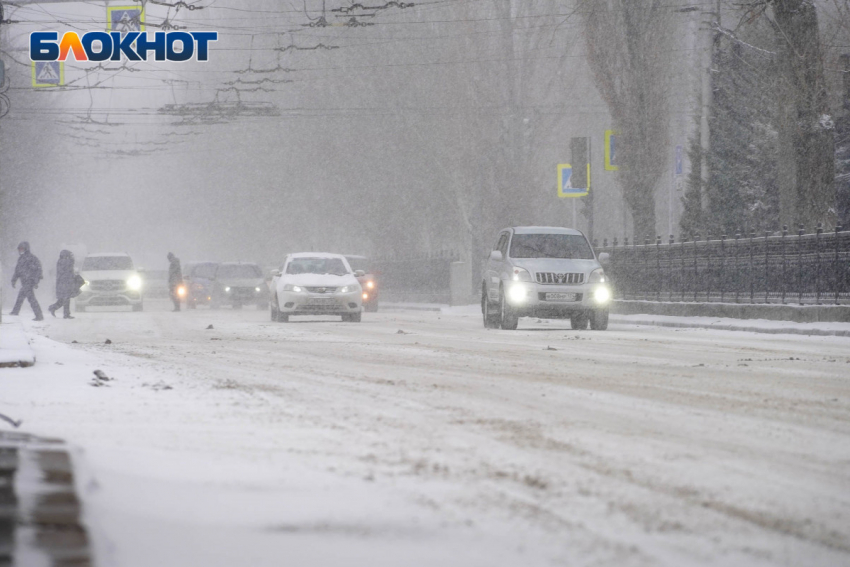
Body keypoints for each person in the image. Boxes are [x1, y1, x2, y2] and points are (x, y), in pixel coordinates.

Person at [10, 241, 44, 321]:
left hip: (29, 281)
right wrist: (13, 280)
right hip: (24, 281)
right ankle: (15, 311)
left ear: (26, 249)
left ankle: (39, 315)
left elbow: (38, 270)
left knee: (31, 298)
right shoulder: (21, 259)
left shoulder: (32, 258)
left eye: (22, 249)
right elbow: (17, 271)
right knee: (21, 296)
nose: (21, 250)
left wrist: (36, 281)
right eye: (20, 249)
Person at [48, 250, 76, 319]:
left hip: (62, 283)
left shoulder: (60, 261)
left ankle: (53, 308)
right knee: (66, 298)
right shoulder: (65, 262)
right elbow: (69, 271)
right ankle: (65, 314)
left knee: (63, 299)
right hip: (65, 283)